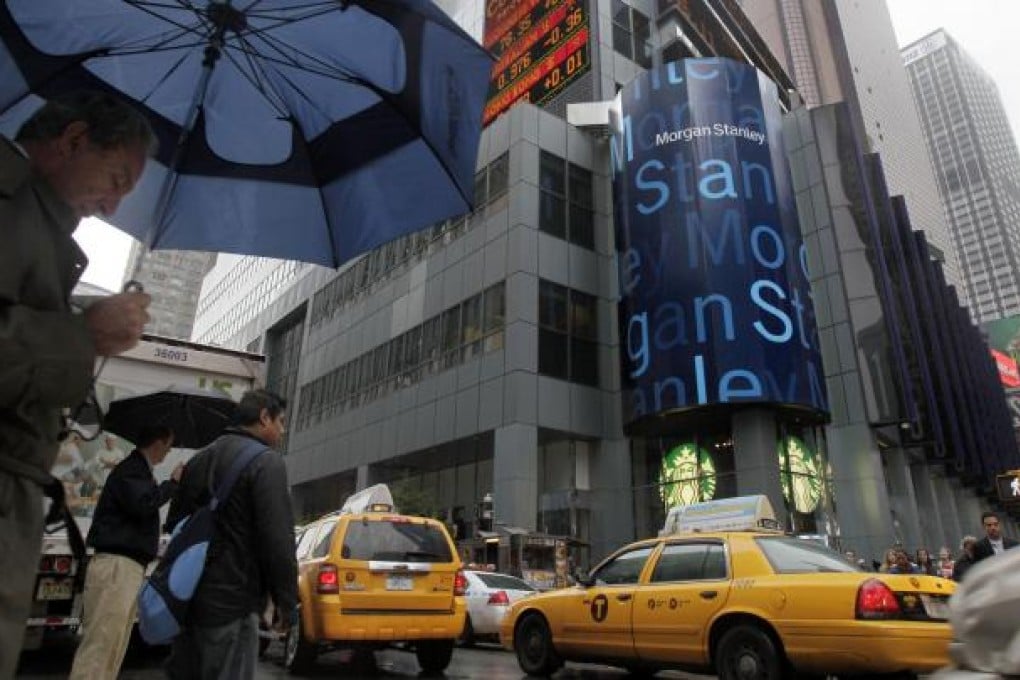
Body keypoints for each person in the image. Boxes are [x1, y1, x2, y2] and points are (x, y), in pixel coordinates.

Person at [0, 90, 154, 678]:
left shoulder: (37, 223)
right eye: (115, 178)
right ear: (72, 140)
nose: (113, 206)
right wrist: (83, 335)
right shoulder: (12, 208)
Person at [164, 389, 298, 680]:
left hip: (188, 602)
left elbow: (174, 525)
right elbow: (278, 540)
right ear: (264, 417)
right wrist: (287, 603)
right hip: (233, 606)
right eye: (281, 421)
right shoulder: (267, 463)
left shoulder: (199, 461)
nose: (282, 430)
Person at [68, 425, 182, 680]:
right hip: (116, 566)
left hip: (125, 567)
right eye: (169, 444)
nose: (169, 450)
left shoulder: (138, 471)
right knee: (102, 643)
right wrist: (172, 484)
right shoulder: (131, 470)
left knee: (113, 644)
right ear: (158, 443)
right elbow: (143, 504)